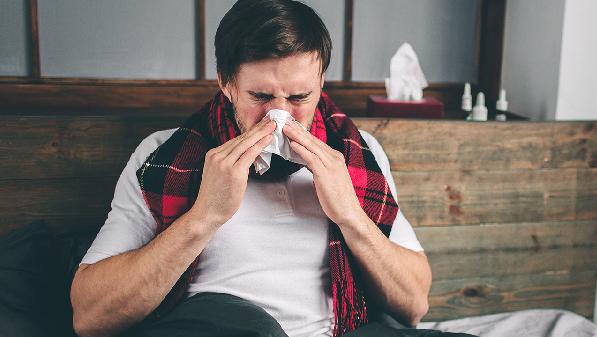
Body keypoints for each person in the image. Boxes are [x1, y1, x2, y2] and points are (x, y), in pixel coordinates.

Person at [71, 1, 475, 337]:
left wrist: (351, 215)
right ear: (225, 82)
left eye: (300, 96)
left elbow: (414, 307)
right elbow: (90, 317)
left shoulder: (358, 153)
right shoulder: (161, 155)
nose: (279, 115)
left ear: (321, 81)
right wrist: (203, 217)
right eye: (260, 96)